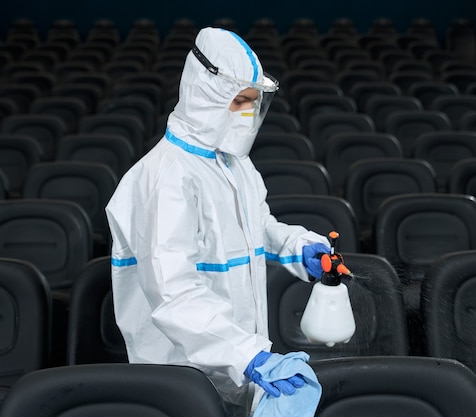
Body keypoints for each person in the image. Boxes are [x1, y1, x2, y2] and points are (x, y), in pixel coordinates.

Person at [105, 27, 330, 417]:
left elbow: (257, 227)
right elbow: (174, 292)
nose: (248, 113)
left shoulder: (234, 165)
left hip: (237, 368)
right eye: (240, 100)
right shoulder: (164, 178)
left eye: (254, 102)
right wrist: (251, 357)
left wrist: (297, 246)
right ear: (204, 95)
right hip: (179, 380)